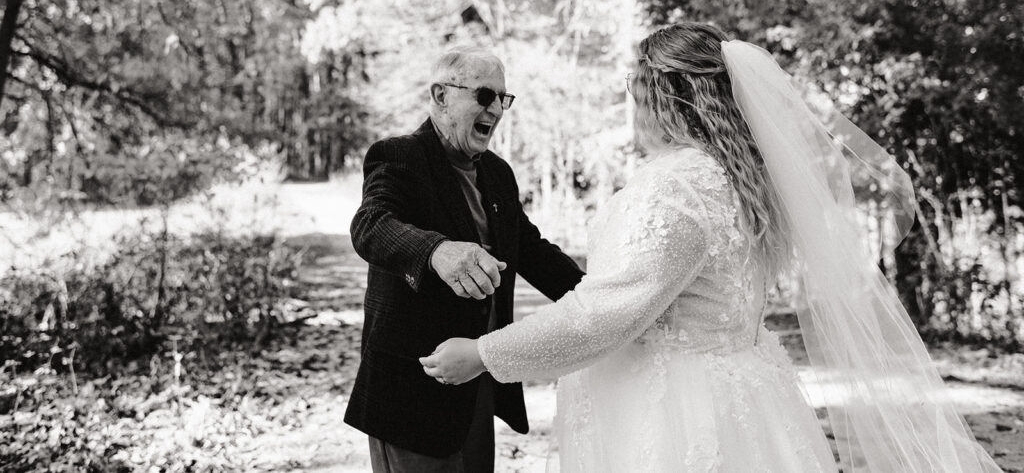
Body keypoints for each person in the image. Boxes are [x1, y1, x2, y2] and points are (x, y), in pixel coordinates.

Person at [421, 23, 1003, 472]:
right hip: (746, 395)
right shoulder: (741, 179)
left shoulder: (675, 186)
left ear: (663, 95)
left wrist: (485, 353)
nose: (631, 101)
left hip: (673, 411)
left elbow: (605, 315)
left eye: (634, 86)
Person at [344, 47, 584, 473]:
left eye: (503, 99)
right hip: (411, 393)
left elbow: (531, 250)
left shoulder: (498, 173)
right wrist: (435, 250)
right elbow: (370, 224)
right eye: (485, 95)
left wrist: (603, 297)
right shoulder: (398, 156)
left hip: (476, 383)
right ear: (441, 96)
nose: (496, 109)